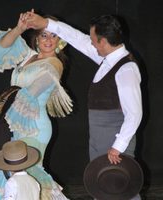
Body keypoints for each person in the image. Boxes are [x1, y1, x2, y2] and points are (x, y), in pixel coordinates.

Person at [26, 12, 143, 200]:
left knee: (121, 189)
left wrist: (117, 147)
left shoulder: (126, 69)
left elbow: (134, 114)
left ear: (103, 41)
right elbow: (78, 39)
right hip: (100, 138)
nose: (91, 43)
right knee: (102, 188)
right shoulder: (108, 58)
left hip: (114, 140)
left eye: (94, 40)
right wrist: (47, 23)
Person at [0, 11, 73, 200]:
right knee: (13, 174)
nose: (49, 40)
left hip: (35, 127)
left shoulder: (55, 63)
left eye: (54, 35)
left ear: (60, 40)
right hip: (16, 123)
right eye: (44, 34)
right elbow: (2, 46)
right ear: (37, 37)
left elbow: (32, 91)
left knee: (26, 174)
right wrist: (19, 28)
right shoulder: (29, 56)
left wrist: (10, 105)